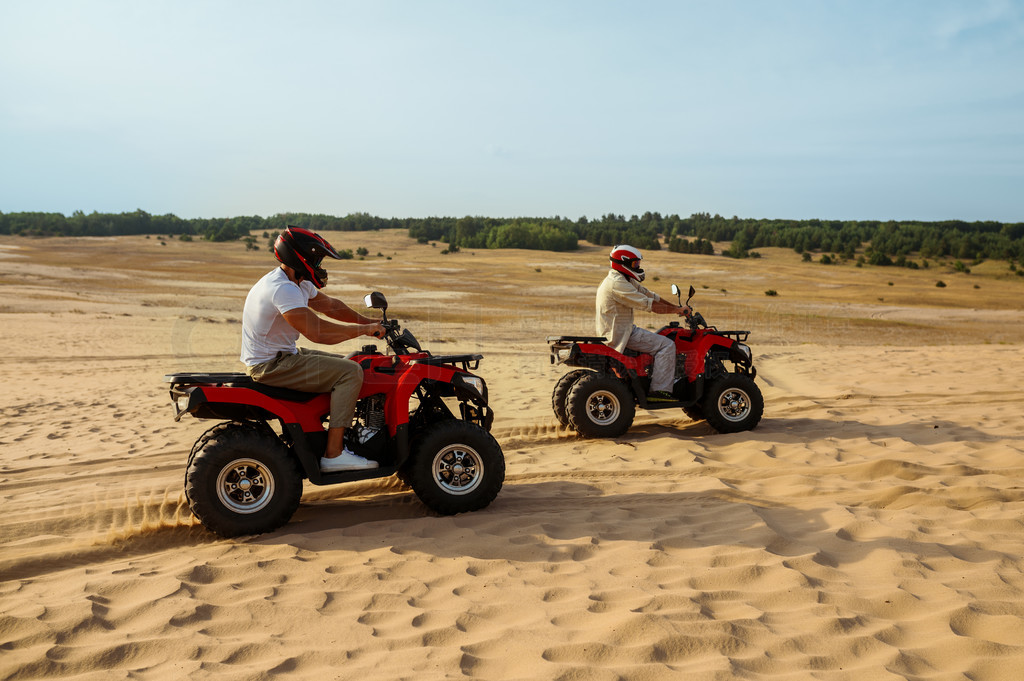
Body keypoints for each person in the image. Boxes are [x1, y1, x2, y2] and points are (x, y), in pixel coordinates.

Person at [240, 226, 385, 472]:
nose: (319, 266)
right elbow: (317, 332)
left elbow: (330, 306)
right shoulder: (282, 289)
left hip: (282, 355)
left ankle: (334, 434)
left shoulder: (293, 281)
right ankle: (334, 454)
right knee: (350, 373)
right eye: (316, 260)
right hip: (271, 365)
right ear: (300, 258)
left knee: (351, 362)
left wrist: (369, 323)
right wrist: (364, 330)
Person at [596, 244, 691, 402]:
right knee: (667, 345)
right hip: (622, 334)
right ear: (623, 263)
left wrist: (678, 308)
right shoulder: (617, 283)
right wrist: (676, 311)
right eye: (635, 264)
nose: (638, 267)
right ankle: (660, 392)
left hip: (620, 330)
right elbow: (650, 304)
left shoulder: (622, 279)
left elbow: (650, 295)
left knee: (660, 338)